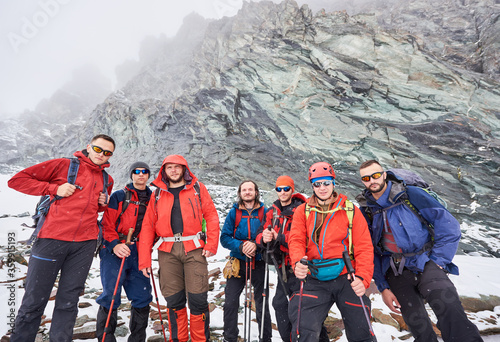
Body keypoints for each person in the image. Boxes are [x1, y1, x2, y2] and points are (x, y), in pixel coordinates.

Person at [356, 160, 483, 342]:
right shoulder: (367, 210)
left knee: (449, 308)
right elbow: (370, 251)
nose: (372, 181)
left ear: (384, 174)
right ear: (363, 182)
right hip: (396, 269)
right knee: (416, 322)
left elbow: (449, 226)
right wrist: (383, 287)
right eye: (366, 178)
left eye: (376, 175)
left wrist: (439, 261)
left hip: (426, 261)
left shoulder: (411, 195)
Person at [7, 134, 115, 342]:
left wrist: (103, 203)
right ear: (88, 147)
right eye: (98, 149)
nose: (102, 155)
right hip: (51, 240)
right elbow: (17, 180)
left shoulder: (106, 179)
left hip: (84, 246)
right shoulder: (63, 165)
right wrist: (54, 188)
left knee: (69, 301)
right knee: (34, 300)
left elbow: (93, 208)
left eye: (107, 153)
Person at [288, 162, 375, 342]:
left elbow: (364, 247)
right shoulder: (302, 212)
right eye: (317, 184)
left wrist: (363, 278)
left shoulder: (350, 210)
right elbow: (295, 240)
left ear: (333, 182)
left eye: (326, 182)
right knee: (303, 330)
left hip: (347, 276)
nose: (322, 188)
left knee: (361, 332)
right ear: (312, 186)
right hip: (314, 276)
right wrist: (297, 262)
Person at [138, 155, 219, 342]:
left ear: (184, 169)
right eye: (169, 168)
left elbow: (212, 216)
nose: (174, 170)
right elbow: (148, 226)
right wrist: (145, 260)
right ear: (164, 171)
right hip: (167, 250)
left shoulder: (197, 189)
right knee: (174, 301)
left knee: (198, 300)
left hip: (194, 247)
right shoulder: (157, 193)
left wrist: (211, 244)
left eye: (177, 167)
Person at [96, 162, 153, 342]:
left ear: (148, 175)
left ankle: (137, 339)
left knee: (142, 296)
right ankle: (106, 338)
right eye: (136, 172)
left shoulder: (154, 199)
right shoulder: (120, 196)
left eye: (144, 172)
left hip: (139, 251)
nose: (140, 175)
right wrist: (114, 244)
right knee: (110, 295)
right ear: (132, 175)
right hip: (114, 249)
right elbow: (106, 224)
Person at [220, 180, 272, 342]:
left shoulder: (266, 212)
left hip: (259, 262)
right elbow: (225, 238)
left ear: (256, 192)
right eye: (244, 190)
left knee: (261, 302)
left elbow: (269, 236)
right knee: (230, 302)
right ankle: (230, 337)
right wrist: (242, 246)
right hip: (238, 262)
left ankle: (266, 338)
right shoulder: (233, 213)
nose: (247, 192)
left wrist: (256, 245)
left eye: (250, 189)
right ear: (240, 193)